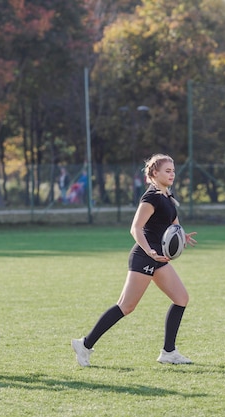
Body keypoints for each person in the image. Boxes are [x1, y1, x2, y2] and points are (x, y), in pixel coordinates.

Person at [72, 154, 197, 366]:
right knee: (126, 306)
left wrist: (181, 236)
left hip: (159, 257)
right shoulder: (151, 197)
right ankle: (85, 344)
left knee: (181, 298)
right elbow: (136, 228)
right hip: (144, 256)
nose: (172, 174)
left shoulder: (167, 195)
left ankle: (169, 352)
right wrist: (149, 251)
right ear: (154, 173)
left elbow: (173, 224)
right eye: (167, 171)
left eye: (173, 171)